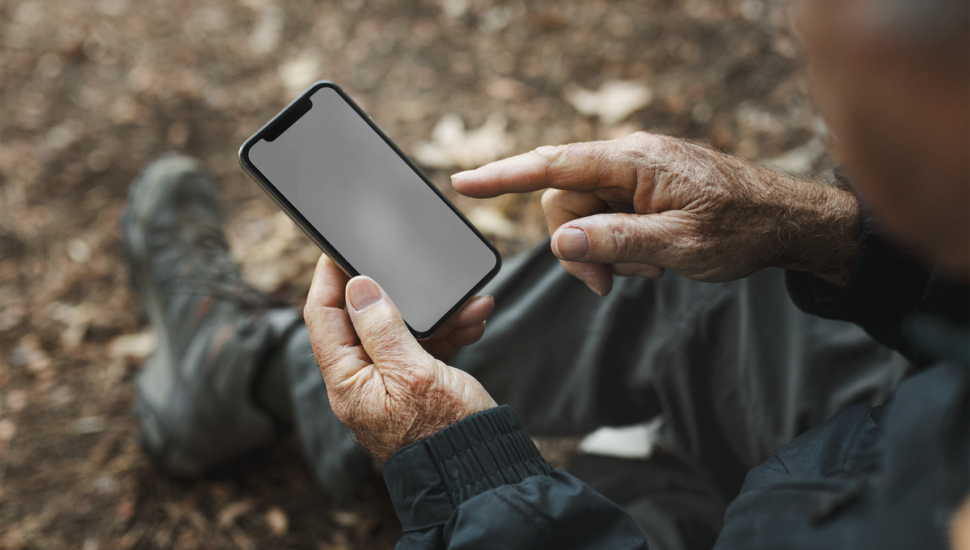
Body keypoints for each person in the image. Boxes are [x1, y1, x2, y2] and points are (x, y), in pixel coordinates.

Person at [120, 0, 970, 548]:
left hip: (813, 505)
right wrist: (828, 230)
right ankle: (254, 373)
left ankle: (256, 371)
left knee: (607, 482)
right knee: (684, 272)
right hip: (882, 427)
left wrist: (462, 480)